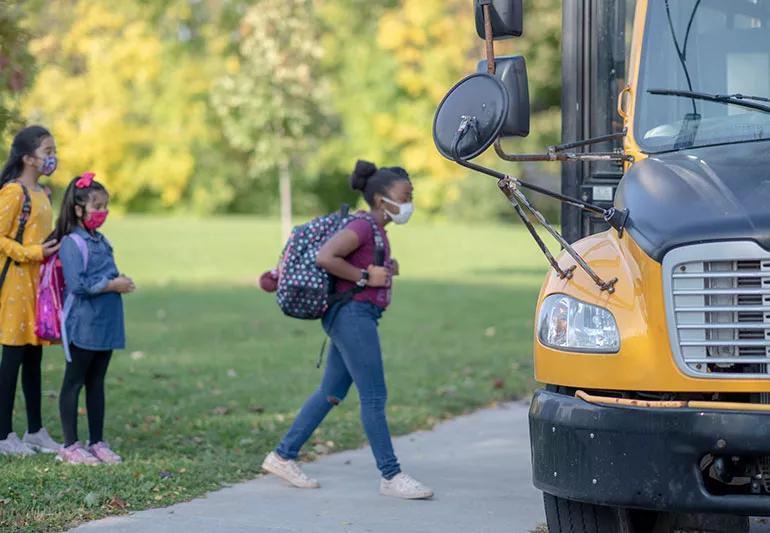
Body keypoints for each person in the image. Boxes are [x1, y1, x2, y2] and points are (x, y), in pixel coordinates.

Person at [262, 160, 433, 500]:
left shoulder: (376, 230)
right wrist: (367, 277)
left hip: (357, 316)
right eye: (406, 195)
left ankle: (282, 455)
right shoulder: (363, 226)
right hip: (352, 317)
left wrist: (384, 270)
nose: (410, 202)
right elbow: (327, 257)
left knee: (331, 391)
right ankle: (391, 475)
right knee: (373, 396)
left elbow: (357, 264)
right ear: (383, 201)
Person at [54, 172, 135, 465]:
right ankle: (70, 445)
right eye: (97, 206)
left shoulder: (102, 240)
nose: (103, 213)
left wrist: (120, 280)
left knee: (97, 382)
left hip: (106, 324)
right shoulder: (73, 243)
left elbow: (106, 272)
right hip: (83, 325)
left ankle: (97, 441)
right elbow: (78, 285)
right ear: (78, 209)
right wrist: (112, 285)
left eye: (105, 206)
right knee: (74, 382)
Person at [0, 125, 62, 456]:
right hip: (15, 285)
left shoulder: (42, 194)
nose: (53, 158)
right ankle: (3, 434)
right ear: (28, 158)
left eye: (54, 151)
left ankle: (35, 430)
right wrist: (34, 253)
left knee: (33, 358)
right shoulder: (13, 192)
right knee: (11, 358)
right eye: (47, 152)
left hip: (38, 287)